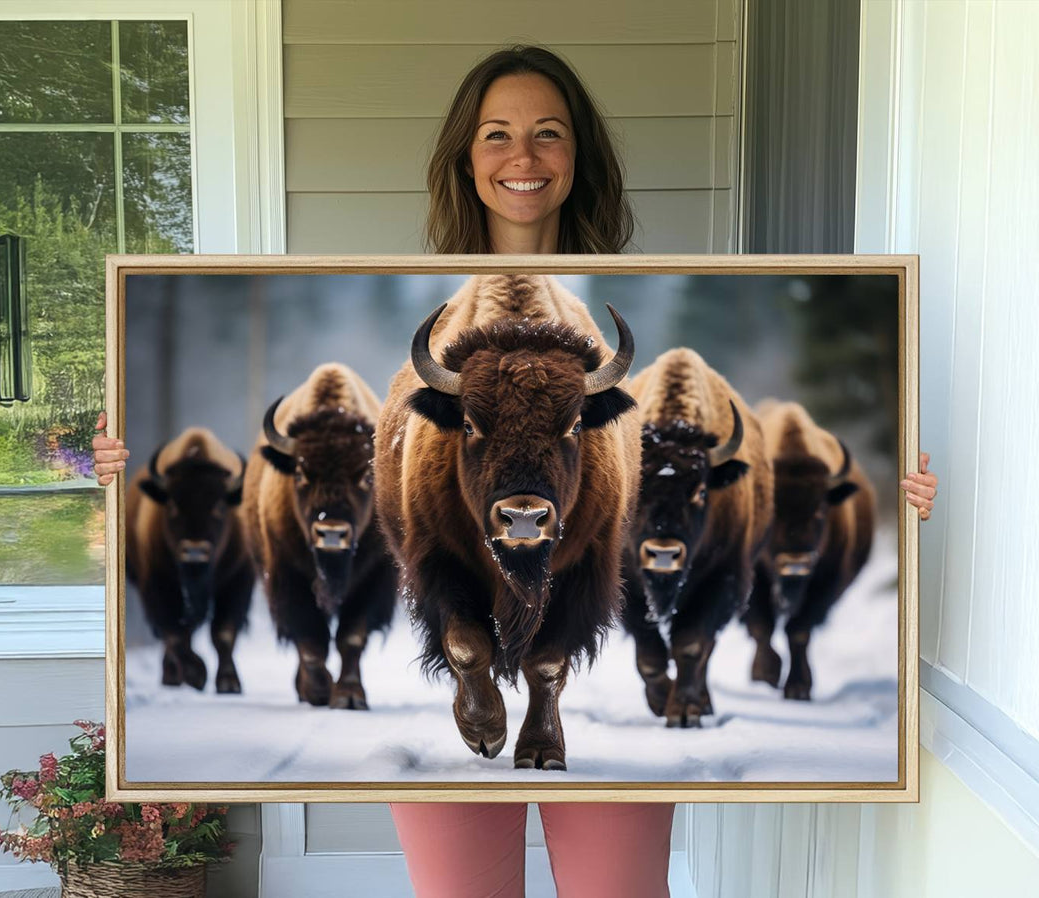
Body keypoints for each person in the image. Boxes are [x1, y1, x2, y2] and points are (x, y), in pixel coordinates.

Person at [94, 45, 938, 898]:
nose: (523, 157)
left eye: (548, 134)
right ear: (466, 157)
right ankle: (468, 660)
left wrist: (907, 489)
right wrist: (113, 465)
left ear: (580, 157)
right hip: (460, 558)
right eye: (497, 134)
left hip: (565, 568)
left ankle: (546, 693)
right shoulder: (426, 367)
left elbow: (611, 534)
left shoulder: (609, 355)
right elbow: (421, 549)